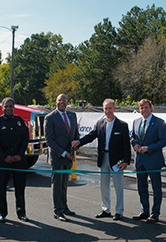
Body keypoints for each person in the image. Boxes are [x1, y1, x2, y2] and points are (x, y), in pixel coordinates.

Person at [72, 99, 131, 221]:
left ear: (114, 109)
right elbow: (91, 136)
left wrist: (126, 161)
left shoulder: (122, 125)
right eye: (105, 108)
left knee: (118, 186)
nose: (107, 111)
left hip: (117, 161)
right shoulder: (100, 123)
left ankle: (119, 211)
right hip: (103, 159)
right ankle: (106, 209)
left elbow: (126, 145)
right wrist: (79, 142)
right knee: (104, 186)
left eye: (110, 108)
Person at [0, 97, 30, 223]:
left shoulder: (20, 121)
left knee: (20, 188)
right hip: (3, 161)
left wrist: (19, 154)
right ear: (2, 108)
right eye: (6, 106)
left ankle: (21, 213)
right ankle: (2, 213)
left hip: (19, 160)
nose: (8, 108)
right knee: (1, 188)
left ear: (14, 107)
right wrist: (4, 156)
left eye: (10, 106)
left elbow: (25, 139)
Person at [131, 99, 166, 223]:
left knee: (156, 188)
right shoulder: (136, 122)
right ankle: (144, 210)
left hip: (153, 160)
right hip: (140, 160)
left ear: (151, 108)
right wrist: (135, 144)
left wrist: (148, 148)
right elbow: (133, 138)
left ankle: (155, 213)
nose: (144, 110)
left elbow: (164, 140)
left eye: (146, 107)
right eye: (141, 108)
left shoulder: (159, 122)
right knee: (141, 187)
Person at [44, 94, 79, 222]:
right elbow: (50, 140)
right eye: (60, 100)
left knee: (65, 183)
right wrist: (64, 153)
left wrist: (77, 143)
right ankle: (57, 210)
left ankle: (64, 206)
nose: (62, 102)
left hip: (69, 156)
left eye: (64, 100)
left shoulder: (72, 115)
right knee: (57, 184)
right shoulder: (50, 118)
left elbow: (76, 134)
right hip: (58, 156)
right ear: (56, 102)